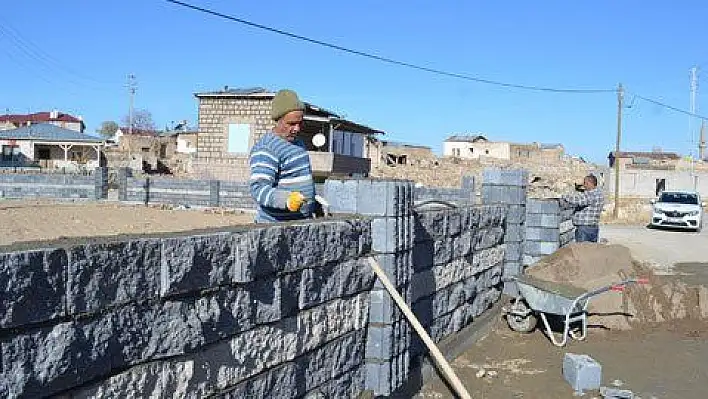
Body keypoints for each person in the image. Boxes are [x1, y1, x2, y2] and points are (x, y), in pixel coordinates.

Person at [248, 89, 315, 223]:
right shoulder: (267, 149)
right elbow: (258, 189)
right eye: (291, 124)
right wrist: (286, 200)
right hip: (275, 226)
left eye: (300, 123)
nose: (297, 129)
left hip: (300, 223)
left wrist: (314, 203)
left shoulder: (298, 143)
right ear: (278, 120)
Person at [561, 174, 605, 243]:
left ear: (590, 183)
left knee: (581, 251)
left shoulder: (592, 195)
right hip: (593, 227)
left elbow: (578, 201)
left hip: (584, 229)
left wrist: (564, 196)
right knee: (590, 251)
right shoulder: (599, 193)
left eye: (585, 183)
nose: (584, 185)